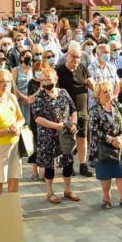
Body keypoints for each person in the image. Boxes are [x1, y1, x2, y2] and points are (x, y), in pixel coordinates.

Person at [32, 67, 80, 204]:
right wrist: (56, 126)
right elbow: (37, 118)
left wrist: (74, 124)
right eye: (44, 79)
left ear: (56, 79)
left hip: (65, 135)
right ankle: (50, 192)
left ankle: (68, 189)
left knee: (68, 162)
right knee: (50, 165)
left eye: (49, 79)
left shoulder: (63, 92)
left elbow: (73, 110)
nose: (47, 82)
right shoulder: (39, 97)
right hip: (48, 136)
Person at [88, 81, 122, 209]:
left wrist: (121, 137)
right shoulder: (94, 111)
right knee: (106, 176)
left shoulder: (118, 106)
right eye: (105, 92)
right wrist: (111, 139)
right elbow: (94, 131)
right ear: (98, 95)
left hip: (119, 146)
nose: (108, 94)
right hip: (103, 147)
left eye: (109, 91)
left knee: (121, 175)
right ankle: (106, 199)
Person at [57, 43, 93, 177]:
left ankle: (83, 165)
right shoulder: (59, 70)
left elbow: (91, 82)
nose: (76, 60)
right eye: (74, 57)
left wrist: (98, 89)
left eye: (79, 57)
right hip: (67, 111)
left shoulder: (82, 68)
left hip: (82, 109)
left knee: (82, 138)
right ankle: (68, 165)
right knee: (68, 138)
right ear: (68, 56)